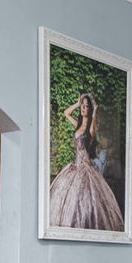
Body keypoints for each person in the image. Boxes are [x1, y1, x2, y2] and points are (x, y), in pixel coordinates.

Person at [48, 91, 124, 232]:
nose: (84, 108)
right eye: (83, 106)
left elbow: (92, 130)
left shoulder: (90, 129)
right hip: (76, 165)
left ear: (90, 109)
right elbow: (66, 113)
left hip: (86, 166)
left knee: (88, 199)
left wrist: (94, 111)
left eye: (86, 106)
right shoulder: (78, 125)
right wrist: (78, 103)